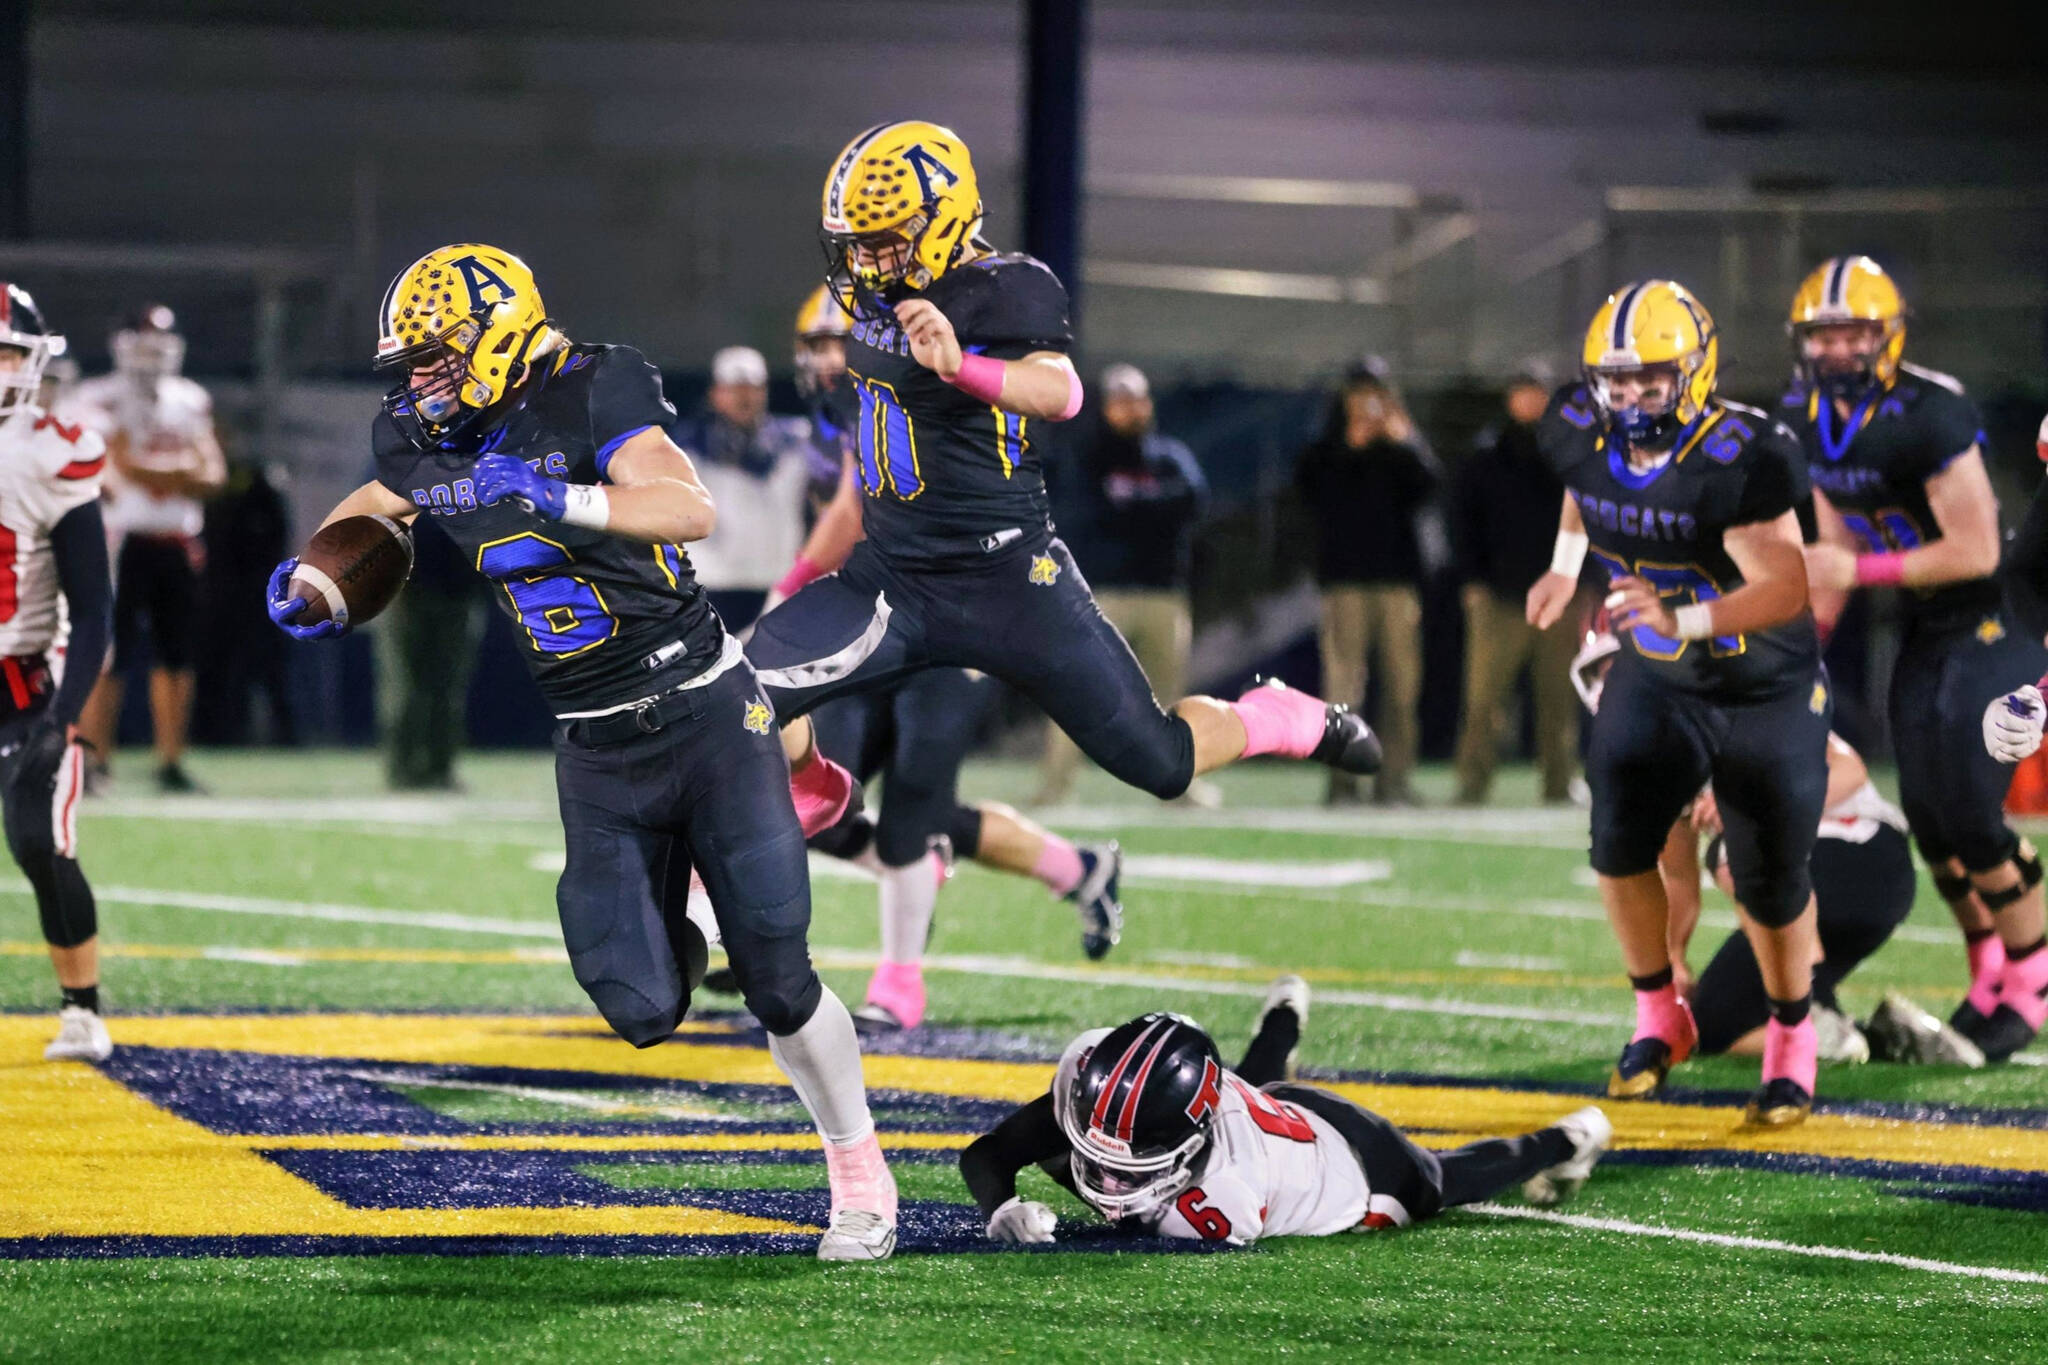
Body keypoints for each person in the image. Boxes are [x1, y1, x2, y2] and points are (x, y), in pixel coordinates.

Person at [262, 244, 897, 1261]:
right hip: (597, 747)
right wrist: (316, 575)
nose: (419, 382)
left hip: (704, 709)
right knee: (640, 1006)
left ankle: (859, 1171)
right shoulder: (420, 434)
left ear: (498, 337)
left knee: (778, 980)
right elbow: (377, 503)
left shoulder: (593, 384)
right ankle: (704, 887)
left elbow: (688, 507)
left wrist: (558, 497)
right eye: (411, 364)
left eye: (436, 357)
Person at [746, 121, 1380, 877]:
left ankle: (1279, 716)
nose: (865, 260)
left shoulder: (1004, 288)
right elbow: (866, 462)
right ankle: (818, 786)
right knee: (742, 689)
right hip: (895, 577)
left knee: (1160, 761)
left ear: (941, 220)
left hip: (1009, 578)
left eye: (882, 240)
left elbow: (1060, 391)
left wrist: (960, 366)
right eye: (855, 243)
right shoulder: (873, 297)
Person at [713, 287, 1125, 1032]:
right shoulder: (843, 412)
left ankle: (899, 977)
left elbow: (852, 512)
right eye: (817, 347)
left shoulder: (923, 388)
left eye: (836, 343)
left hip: (954, 621)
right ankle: (1074, 868)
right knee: (827, 799)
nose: (826, 361)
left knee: (915, 807)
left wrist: (784, 598)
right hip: (873, 620)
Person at [1526, 280, 1829, 1126]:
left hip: (1761, 683)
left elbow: (1787, 587)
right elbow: (1586, 483)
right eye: (1616, 382)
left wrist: (1680, 618)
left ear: (1695, 373)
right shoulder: (1577, 423)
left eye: (1650, 381)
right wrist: (1563, 565)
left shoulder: (1742, 452)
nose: (1630, 400)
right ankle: (1660, 1014)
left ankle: (1791, 1033)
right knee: (1617, 838)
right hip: (1661, 673)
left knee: (1767, 876)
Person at [1782, 256, 2048, 1064]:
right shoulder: (1804, 413)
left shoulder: (1930, 410)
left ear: (1889, 335)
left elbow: (1975, 549)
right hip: (1923, 623)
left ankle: (2032, 981)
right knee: (1930, 818)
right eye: (1825, 334)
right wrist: (1800, 650)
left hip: (1992, 617)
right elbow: (1833, 539)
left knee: (1969, 807)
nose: (1839, 349)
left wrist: (1857, 571)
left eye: (1855, 332)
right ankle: (1987, 968)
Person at [1572, 628, 1977, 1065]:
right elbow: (1677, 876)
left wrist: (1749, 804)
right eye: (1603, 676)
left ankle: (1811, 1003)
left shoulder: (1730, 698)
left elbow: (1849, 771)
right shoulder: (1652, 763)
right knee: (1712, 1026)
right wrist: (1674, 963)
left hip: (1862, 861)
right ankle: (1880, 1037)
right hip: (1804, 882)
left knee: (1735, 848)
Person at [958, 978, 1613, 1245]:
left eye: (1132, 1154)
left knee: (1442, 1180)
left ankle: (1568, 1138)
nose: (1107, 1168)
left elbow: (1131, 1241)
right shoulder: (1108, 1099)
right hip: (1262, 1110)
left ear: (1189, 1143)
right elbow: (989, 1153)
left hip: (1358, 1165)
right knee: (1257, 1082)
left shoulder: (1224, 1197)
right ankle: (1284, 1015)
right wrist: (1000, 1207)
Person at [0, 283, 116, 1061]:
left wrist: (63, 715)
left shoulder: (50, 451)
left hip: (21, 681)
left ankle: (83, 1011)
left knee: (38, 840)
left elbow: (94, 605)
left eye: (6, 353)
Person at [1038, 363, 1211, 807]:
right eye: (1122, 400)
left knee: (1169, 698)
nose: (1132, 408)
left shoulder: (1169, 456)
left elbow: (1194, 499)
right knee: (1079, 689)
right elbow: (1089, 514)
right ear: (1105, 406)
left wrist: (1134, 505)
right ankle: (1055, 786)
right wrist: (1151, 509)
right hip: (1103, 594)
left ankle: (1178, 785)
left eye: (1138, 398)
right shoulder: (1086, 457)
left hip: (1163, 593)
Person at [69, 304, 225, 793]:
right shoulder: (96, 397)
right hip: (119, 538)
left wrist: (154, 469)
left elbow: (213, 474)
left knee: (176, 654)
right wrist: (180, 470)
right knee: (106, 653)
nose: (152, 356)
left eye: (160, 345)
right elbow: (116, 469)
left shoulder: (189, 398)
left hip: (176, 540)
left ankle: (171, 762)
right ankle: (93, 761)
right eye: (143, 344)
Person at [1294, 358, 1444, 805]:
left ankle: (1393, 781)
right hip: (1345, 583)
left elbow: (1431, 487)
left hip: (1397, 583)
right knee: (1343, 687)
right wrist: (1349, 447)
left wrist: (1406, 442)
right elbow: (1308, 491)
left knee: (1402, 687)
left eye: (1375, 392)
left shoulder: (1401, 444)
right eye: (1360, 392)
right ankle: (1342, 783)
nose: (1367, 401)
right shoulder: (1326, 444)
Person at [1453, 366, 1581, 805]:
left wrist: (1583, 579)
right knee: (1484, 699)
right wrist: (1472, 579)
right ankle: (1472, 784)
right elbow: (1464, 520)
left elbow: (1589, 514)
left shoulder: (1569, 450)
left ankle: (1559, 783)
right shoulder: (1487, 453)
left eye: (1536, 393)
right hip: (1501, 595)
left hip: (1559, 597)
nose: (1529, 401)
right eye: (1522, 392)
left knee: (1558, 697)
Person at [668, 345, 814, 632]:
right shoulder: (683, 446)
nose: (744, 397)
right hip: (712, 583)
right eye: (734, 388)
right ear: (715, 393)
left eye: (752, 388)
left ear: (765, 391)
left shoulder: (799, 440)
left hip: (779, 582)